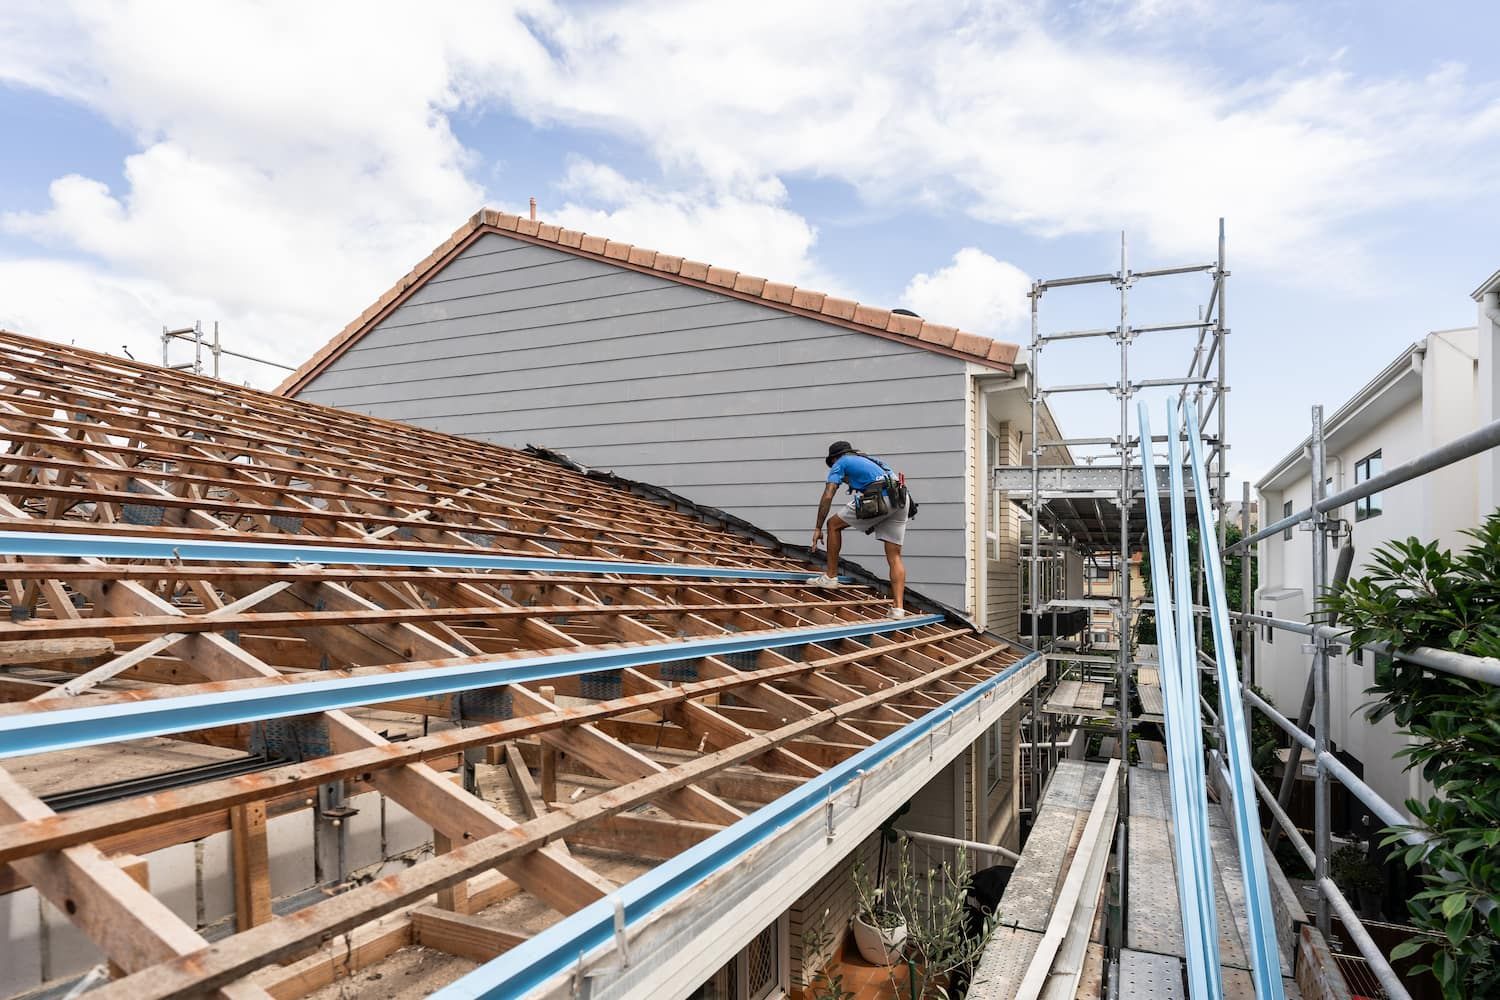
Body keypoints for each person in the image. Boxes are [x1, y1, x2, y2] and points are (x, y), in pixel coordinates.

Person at [809, 440, 908, 616]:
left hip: (881, 497)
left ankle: (830, 577)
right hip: (901, 499)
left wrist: (818, 527)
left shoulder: (841, 462)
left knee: (833, 524)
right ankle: (898, 609)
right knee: (894, 555)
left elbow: (828, 494)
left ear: (835, 458)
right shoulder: (872, 461)